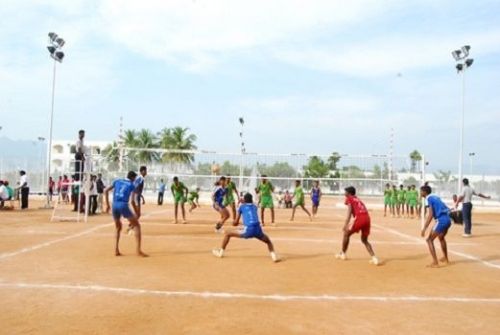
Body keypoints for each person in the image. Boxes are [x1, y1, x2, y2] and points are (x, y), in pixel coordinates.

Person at [212, 193, 280, 262]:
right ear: (251, 199)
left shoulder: (242, 207)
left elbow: (235, 223)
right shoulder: (255, 206)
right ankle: (274, 256)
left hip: (249, 230)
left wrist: (234, 223)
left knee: (228, 234)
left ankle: (220, 253)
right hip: (258, 229)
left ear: (244, 200)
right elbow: (250, 205)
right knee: (268, 241)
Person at [104, 170, 147, 257]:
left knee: (118, 227)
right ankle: (138, 250)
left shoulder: (117, 181)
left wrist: (108, 205)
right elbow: (132, 201)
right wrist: (137, 211)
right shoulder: (131, 185)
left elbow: (106, 190)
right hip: (123, 205)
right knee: (137, 226)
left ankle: (116, 249)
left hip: (114, 205)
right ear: (132, 178)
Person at [335, 186, 379, 265]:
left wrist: (346, 224)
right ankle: (374, 258)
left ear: (349, 193)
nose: (344, 193)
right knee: (364, 240)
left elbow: (349, 212)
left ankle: (343, 254)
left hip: (360, 218)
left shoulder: (349, 198)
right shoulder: (357, 199)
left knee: (346, 233)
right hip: (367, 218)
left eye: (345, 192)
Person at [420, 185, 451, 268]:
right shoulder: (436, 197)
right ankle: (446, 259)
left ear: (425, 192)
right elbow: (446, 207)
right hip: (447, 219)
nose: (420, 193)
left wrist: (424, 228)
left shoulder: (429, 199)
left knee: (429, 240)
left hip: (441, 220)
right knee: (441, 237)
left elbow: (430, 215)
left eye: (421, 191)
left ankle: (435, 262)